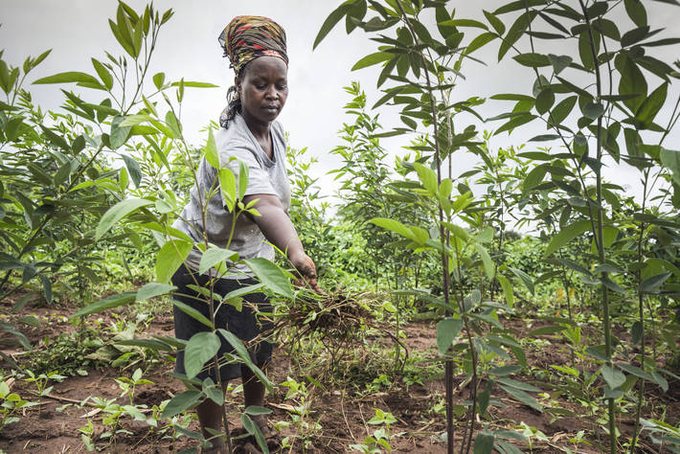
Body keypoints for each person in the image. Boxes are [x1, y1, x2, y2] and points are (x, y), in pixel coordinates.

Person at [171, 15, 320, 453]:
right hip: (203, 266)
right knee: (207, 364)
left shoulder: (274, 133)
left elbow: (275, 196)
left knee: (258, 354)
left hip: (252, 265)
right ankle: (216, 445)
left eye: (281, 85)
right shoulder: (233, 144)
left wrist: (281, 254)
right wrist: (296, 252)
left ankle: (252, 436)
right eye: (260, 83)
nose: (272, 94)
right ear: (239, 84)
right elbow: (264, 205)